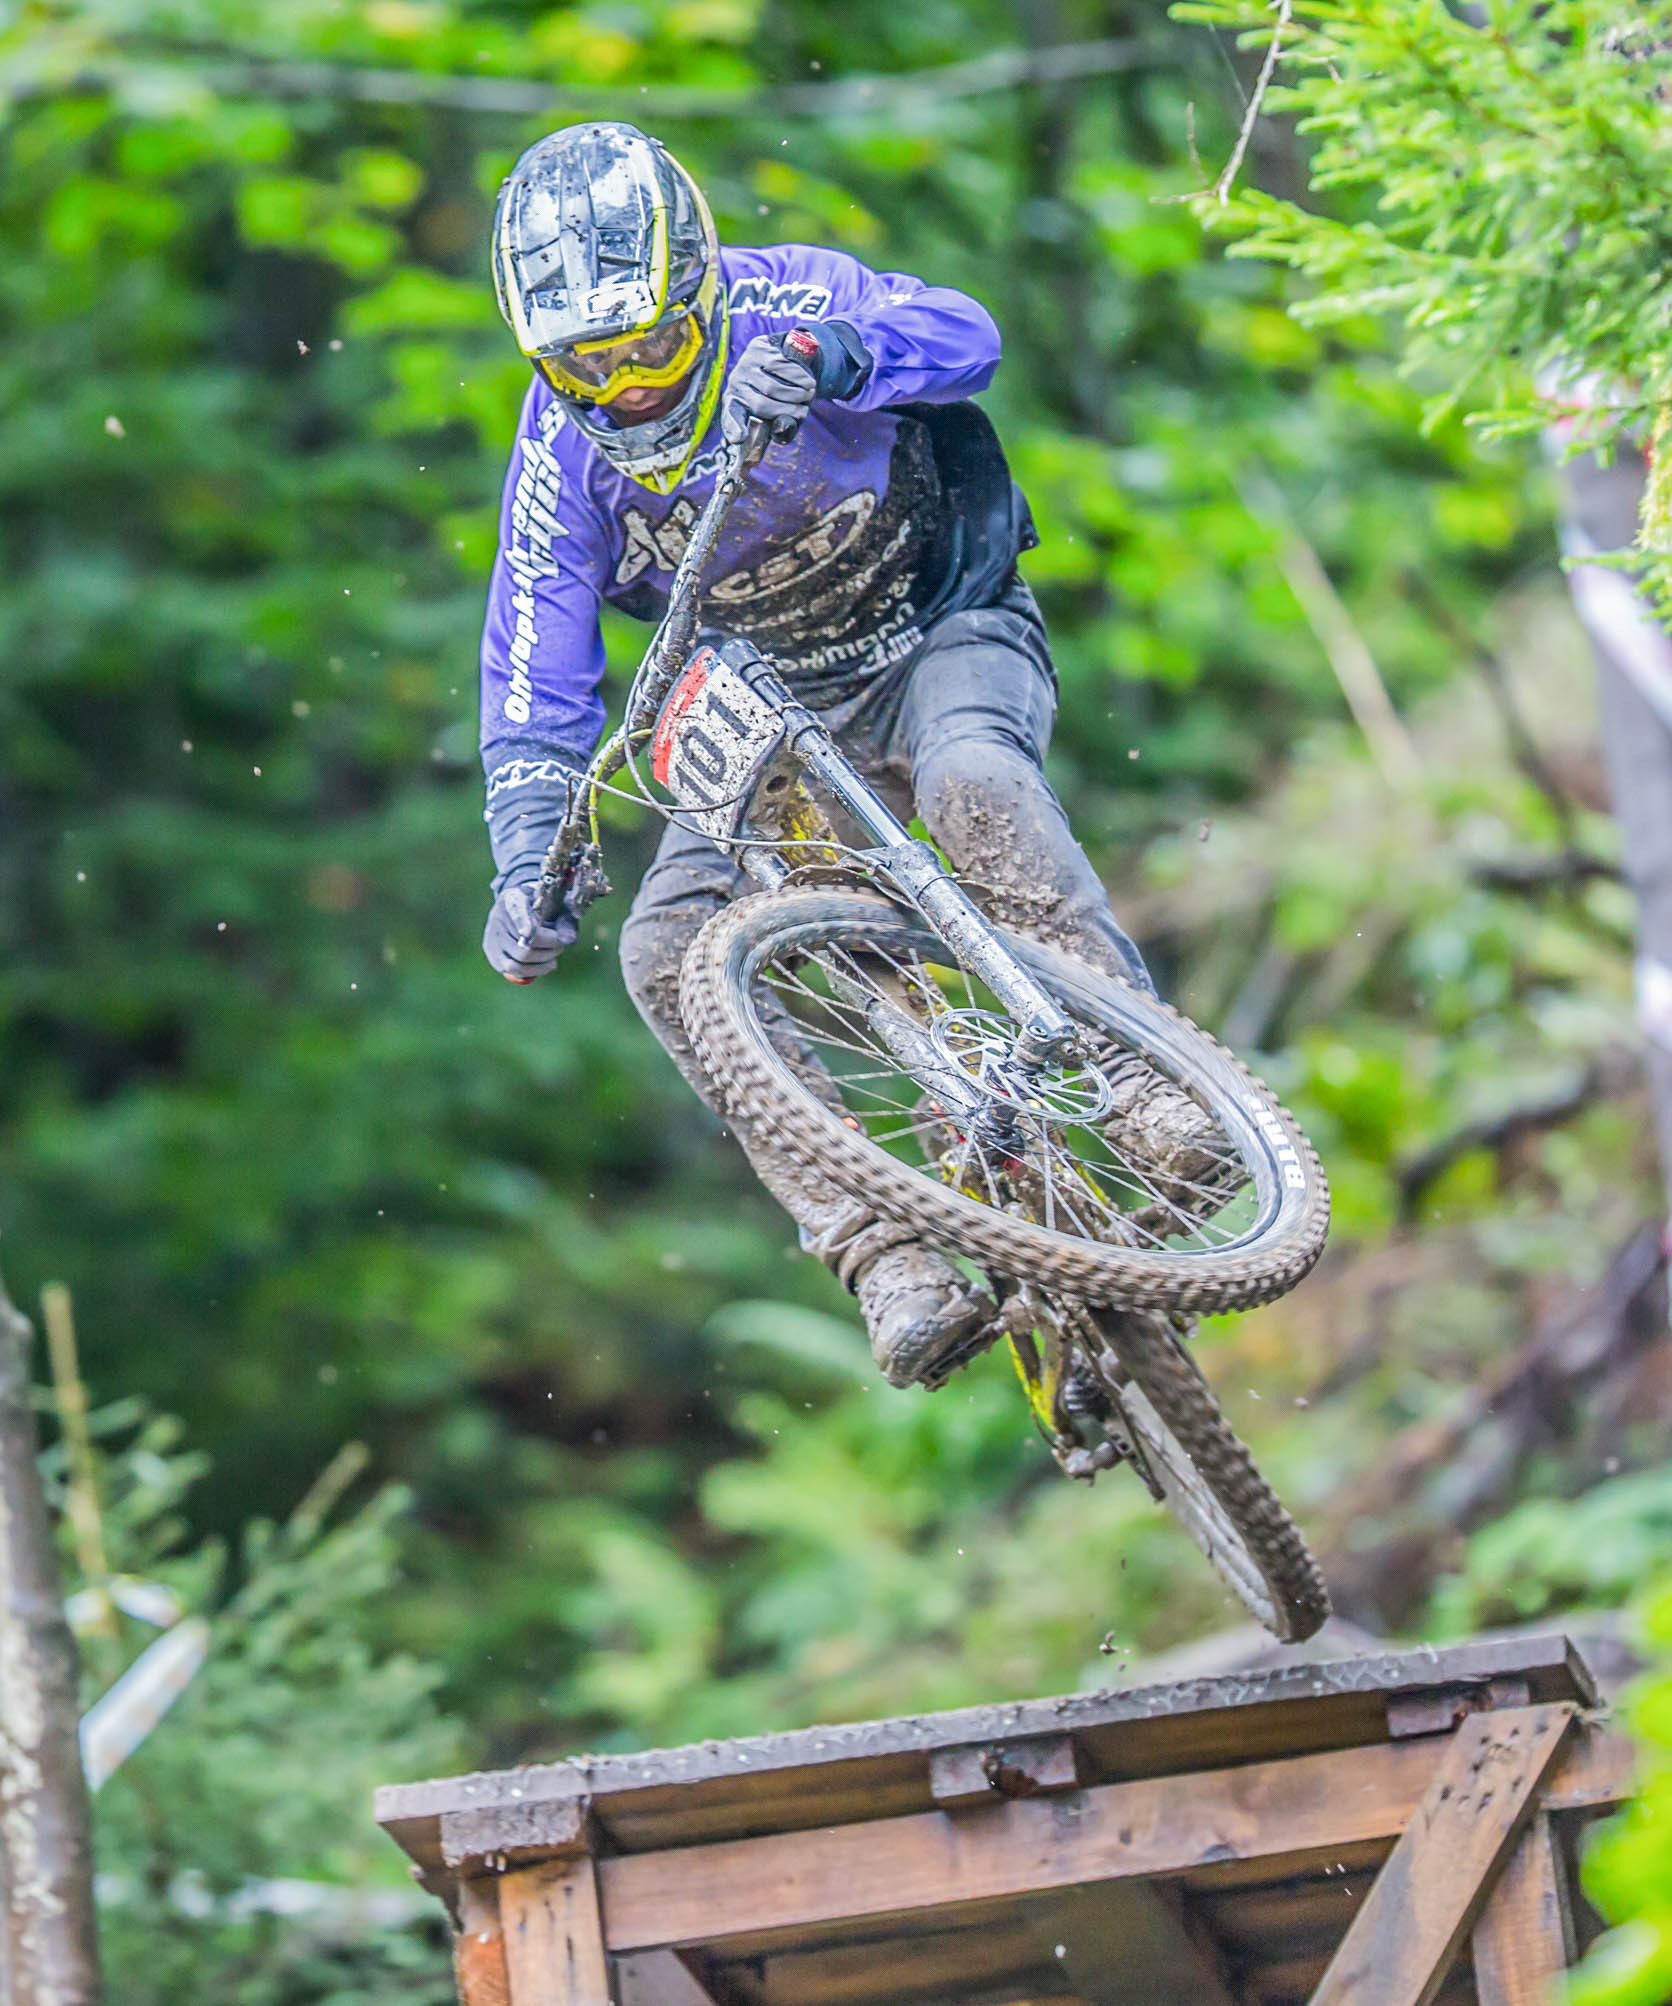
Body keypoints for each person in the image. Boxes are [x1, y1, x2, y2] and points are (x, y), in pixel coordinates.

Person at [469, 121, 1164, 1388]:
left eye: (651, 347)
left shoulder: (786, 301)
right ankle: (883, 1254)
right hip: (771, 715)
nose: (627, 390)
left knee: (975, 781)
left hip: (936, 627)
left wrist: (842, 357)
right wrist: (527, 856)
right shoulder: (559, 461)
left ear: (699, 289)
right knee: (664, 952)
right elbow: (532, 671)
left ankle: (1143, 1083)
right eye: (586, 367)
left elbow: (967, 333)